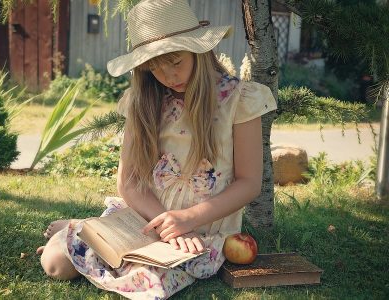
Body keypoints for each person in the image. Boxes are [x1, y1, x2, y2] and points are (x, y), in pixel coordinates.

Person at [36, 0, 277, 298]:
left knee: (150, 283)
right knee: (56, 264)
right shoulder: (143, 101)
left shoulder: (240, 100)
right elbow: (129, 182)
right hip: (146, 219)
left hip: (202, 230)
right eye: (154, 67)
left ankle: (83, 228)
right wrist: (169, 226)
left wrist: (187, 221)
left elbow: (250, 183)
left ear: (199, 50)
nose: (168, 76)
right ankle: (88, 228)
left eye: (175, 62)